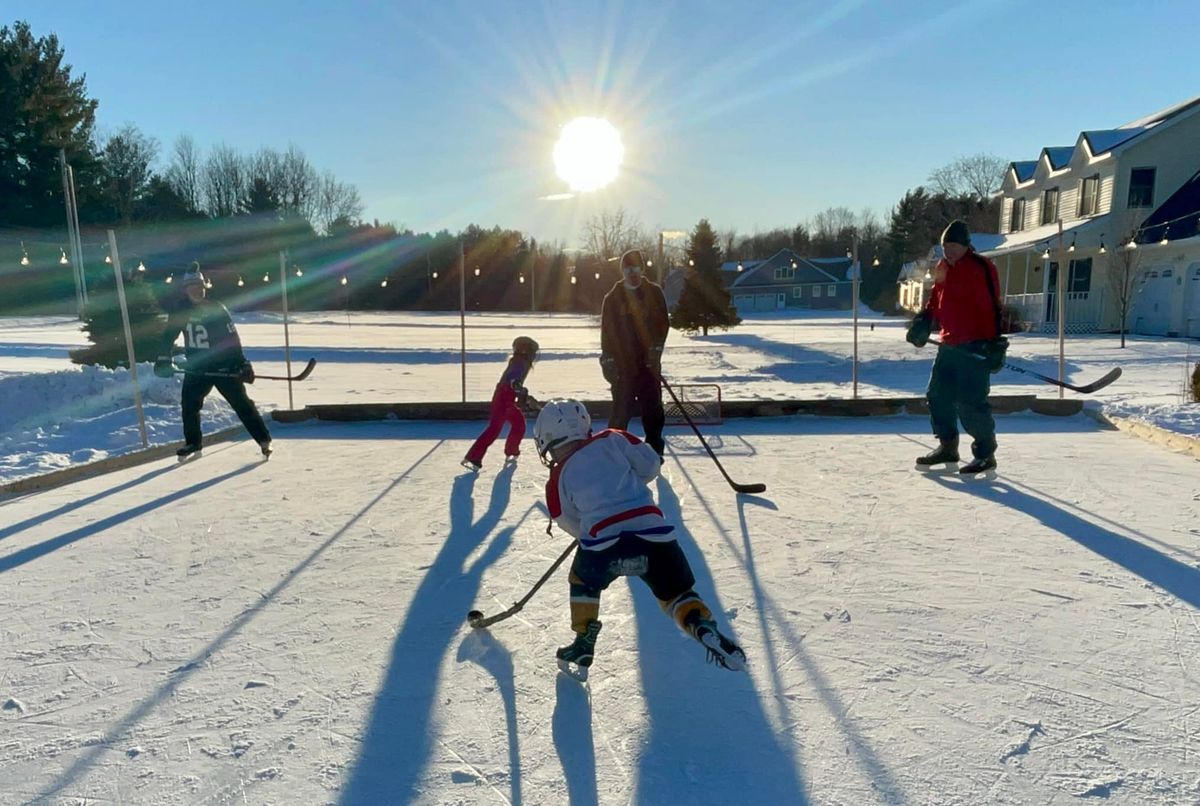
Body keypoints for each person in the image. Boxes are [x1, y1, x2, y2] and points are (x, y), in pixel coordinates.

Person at [533, 398, 745, 680]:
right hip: (655, 537)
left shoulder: (557, 477)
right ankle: (700, 624)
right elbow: (650, 464)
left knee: (583, 582)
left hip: (604, 547)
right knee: (676, 595)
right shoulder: (613, 438)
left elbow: (566, 520)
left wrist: (591, 525)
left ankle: (583, 641)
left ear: (547, 442)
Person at [906, 220, 1008, 475]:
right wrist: (923, 322)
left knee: (970, 402)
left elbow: (992, 306)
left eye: (953, 245)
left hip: (976, 345)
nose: (948, 251)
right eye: (945, 246)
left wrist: (995, 343)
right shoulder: (942, 267)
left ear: (965, 246)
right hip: (949, 345)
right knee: (937, 396)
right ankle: (947, 446)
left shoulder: (981, 268)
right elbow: (935, 301)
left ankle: (985, 453)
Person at [153, 264, 272, 459]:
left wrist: (242, 363)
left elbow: (232, 338)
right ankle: (193, 443)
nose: (197, 291)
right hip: (197, 368)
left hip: (223, 366)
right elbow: (168, 336)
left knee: (241, 404)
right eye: (192, 287)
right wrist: (163, 359)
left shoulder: (216, 308)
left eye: (200, 287)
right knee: (189, 405)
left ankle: (263, 439)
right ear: (185, 290)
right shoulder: (179, 311)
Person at [600, 249, 669, 459]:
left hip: (649, 365)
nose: (633, 273)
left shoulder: (654, 293)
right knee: (621, 412)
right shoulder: (612, 298)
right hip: (624, 366)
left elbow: (663, 324)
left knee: (653, 410)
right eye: (628, 269)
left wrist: (656, 350)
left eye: (636, 268)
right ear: (622, 271)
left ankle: (655, 451)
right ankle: (614, 453)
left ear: (642, 269)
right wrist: (608, 359)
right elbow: (607, 332)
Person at [461, 336, 540, 471]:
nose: (534, 355)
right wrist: (523, 394)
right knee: (498, 427)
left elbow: (514, 383)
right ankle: (475, 457)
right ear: (526, 351)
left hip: (503, 395)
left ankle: (510, 451)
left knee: (514, 424)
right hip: (505, 396)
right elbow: (513, 382)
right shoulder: (520, 362)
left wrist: (522, 395)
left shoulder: (518, 361)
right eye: (533, 351)